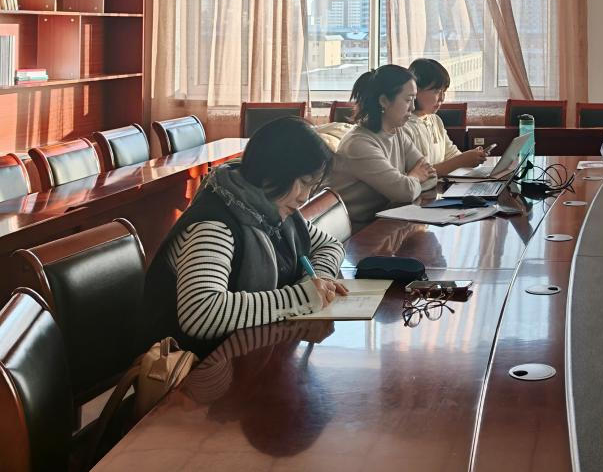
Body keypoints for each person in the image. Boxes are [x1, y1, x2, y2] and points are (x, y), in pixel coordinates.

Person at [141, 117, 347, 355]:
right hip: (195, 366)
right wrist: (301, 297)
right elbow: (201, 313)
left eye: (312, 186)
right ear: (272, 172)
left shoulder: (273, 209)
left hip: (246, 352)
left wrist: (318, 279)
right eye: (303, 182)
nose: (304, 197)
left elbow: (329, 245)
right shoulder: (214, 226)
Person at [330, 64, 436, 224]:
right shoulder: (358, 144)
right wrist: (415, 177)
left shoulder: (397, 132)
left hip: (385, 220)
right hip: (357, 231)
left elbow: (431, 176)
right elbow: (404, 192)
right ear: (384, 101)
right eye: (408, 100)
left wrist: (410, 182)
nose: (413, 107)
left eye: (414, 100)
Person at [402, 58, 488, 176]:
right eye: (436, 91)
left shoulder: (435, 120)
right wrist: (461, 160)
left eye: (444, 91)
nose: (442, 98)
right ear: (415, 90)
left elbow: (451, 155)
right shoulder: (404, 126)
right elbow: (416, 174)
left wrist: (471, 157)